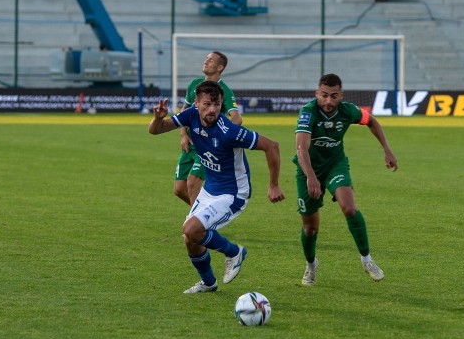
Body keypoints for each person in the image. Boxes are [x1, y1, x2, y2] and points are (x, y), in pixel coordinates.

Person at [149, 80, 285, 293]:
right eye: (206, 104)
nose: (212, 110)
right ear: (196, 103)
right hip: (210, 189)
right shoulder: (190, 115)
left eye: (217, 104)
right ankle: (209, 283)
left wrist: (274, 185)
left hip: (233, 194)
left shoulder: (229, 131)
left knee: (191, 229)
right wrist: (157, 118)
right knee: (190, 239)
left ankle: (234, 252)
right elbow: (155, 131)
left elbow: (272, 146)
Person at [293, 73, 398, 286]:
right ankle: (311, 265)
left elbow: (372, 122)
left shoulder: (348, 110)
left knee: (349, 207)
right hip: (308, 169)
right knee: (310, 228)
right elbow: (301, 147)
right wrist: (311, 177)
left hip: (335, 165)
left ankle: (367, 259)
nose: (329, 101)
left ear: (341, 95)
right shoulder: (308, 112)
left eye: (334, 96)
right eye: (324, 95)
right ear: (317, 94)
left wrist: (387, 149)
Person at [174, 51, 242, 205]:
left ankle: (199, 225)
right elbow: (184, 112)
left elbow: (237, 118)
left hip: (206, 146)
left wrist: (219, 134)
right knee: (179, 189)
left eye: (210, 60)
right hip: (190, 143)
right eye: (206, 58)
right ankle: (206, 216)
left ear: (220, 67)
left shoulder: (224, 90)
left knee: (193, 182)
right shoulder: (194, 84)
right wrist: (183, 134)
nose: (206, 61)